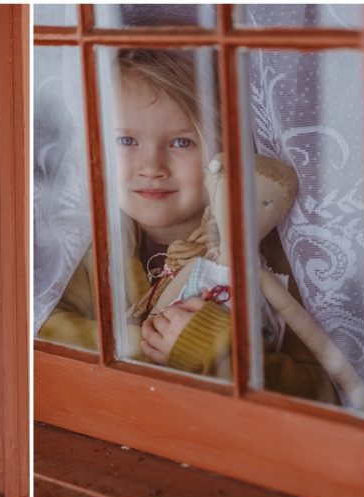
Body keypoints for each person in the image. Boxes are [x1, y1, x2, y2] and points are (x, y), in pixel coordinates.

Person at [38, 48, 339, 404]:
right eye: (125, 141)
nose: (151, 166)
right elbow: (43, 326)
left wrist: (216, 348)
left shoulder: (269, 253)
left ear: (228, 152)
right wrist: (154, 346)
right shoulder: (89, 242)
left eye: (182, 142)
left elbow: (323, 390)